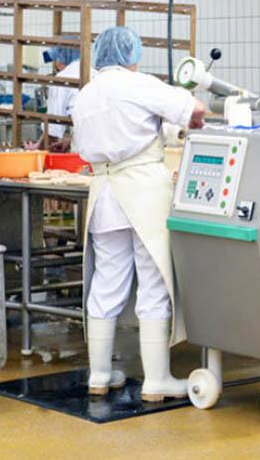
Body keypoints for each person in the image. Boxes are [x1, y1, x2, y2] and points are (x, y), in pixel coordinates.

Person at [71, 26, 206, 399]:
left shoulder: (84, 95)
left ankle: (99, 375)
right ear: (131, 54)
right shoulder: (138, 84)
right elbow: (194, 109)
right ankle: (157, 380)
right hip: (143, 192)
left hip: (104, 192)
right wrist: (194, 120)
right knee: (153, 283)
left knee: (107, 282)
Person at [43, 43, 87, 152]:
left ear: (61, 59)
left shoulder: (62, 78)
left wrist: (37, 148)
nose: (56, 65)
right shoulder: (94, 72)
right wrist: (70, 140)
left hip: (82, 152)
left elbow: (52, 128)